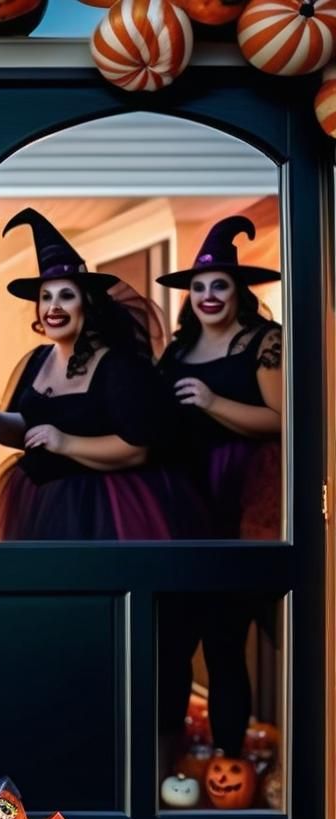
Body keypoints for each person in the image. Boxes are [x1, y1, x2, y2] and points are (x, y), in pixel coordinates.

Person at [153, 215, 282, 777]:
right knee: (172, 645)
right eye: (199, 286)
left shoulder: (264, 342)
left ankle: (231, 760)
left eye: (220, 285)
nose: (208, 295)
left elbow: (282, 421)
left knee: (227, 643)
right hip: (182, 508)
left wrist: (211, 402)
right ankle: (164, 764)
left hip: (243, 506)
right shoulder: (177, 351)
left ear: (239, 292)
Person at [0, 207, 200, 541]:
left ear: (86, 304)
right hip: (36, 503)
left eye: (66, 295)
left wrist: (66, 442)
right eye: (46, 297)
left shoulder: (118, 367)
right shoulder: (37, 360)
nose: (54, 306)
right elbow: (28, 431)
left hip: (100, 510)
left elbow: (137, 447)